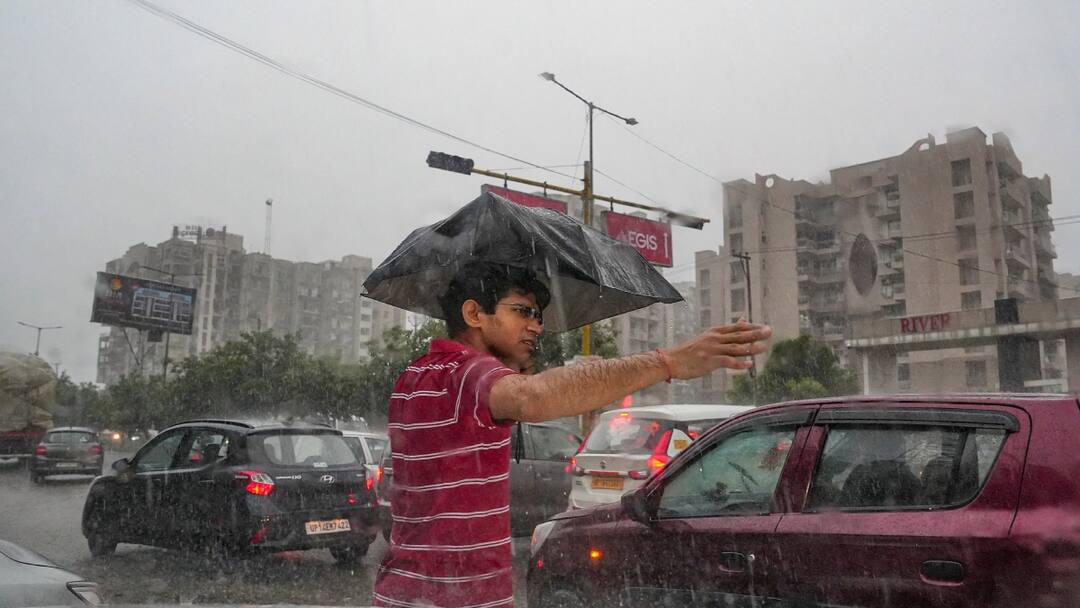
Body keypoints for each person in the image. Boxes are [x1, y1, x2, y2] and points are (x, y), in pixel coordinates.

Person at [371, 262, 771, 608]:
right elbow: (533, 396)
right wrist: (671, 361)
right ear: (474, 313)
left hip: (399, 591)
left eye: (539, 315)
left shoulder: (414, 376)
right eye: (522, 311)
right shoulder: (473, 372)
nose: (536, 326)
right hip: (458, 597)